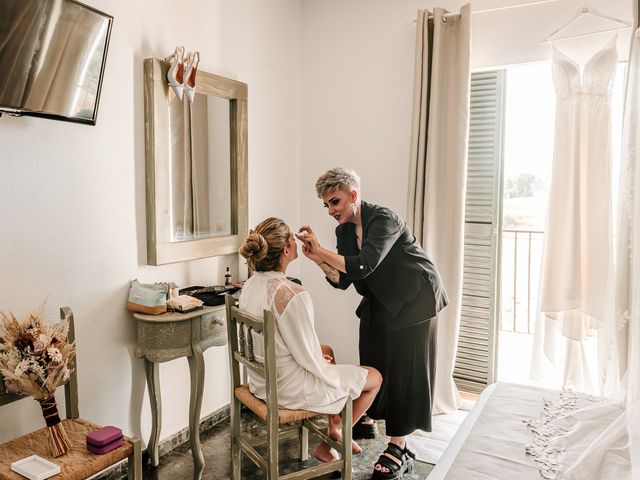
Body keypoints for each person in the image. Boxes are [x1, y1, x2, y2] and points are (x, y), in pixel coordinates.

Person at [297, 167, 448, 479]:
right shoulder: (343, 232)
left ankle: (399, 446)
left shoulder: (384, 219)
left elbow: (364, 264)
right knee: (373, 359)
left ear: (354, 195)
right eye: (326, 205)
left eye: (335, 202)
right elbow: (342, 280)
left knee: (406, 370)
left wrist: (321, 251)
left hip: (416, 296)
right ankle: (367, 415)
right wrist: (317, 260)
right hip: (381, 300)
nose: (331, 211)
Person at [238, 217, 382, 462]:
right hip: (286, 390)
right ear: (285, 250)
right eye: (292, 239)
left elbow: (292, 342)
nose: (296, 242)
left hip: (261, 381)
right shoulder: (293, 294)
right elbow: (307, 355)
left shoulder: (250, 284)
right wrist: (319, 362)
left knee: (326, 349)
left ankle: (334, 427)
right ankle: (336, 440)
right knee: (375, 377)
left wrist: (318, 354)